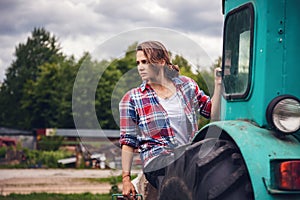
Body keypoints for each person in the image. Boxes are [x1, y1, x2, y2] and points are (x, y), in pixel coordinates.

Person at [119, 40, 222, 199]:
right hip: (157, 161)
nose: (140, 67)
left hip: (188, 155)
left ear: (161, 62)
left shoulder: (186, 85)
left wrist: (218, 83)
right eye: (138, 62)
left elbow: (211, 112)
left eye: (145, 62)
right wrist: (126, 180)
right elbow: (128, 141)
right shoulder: (132, 98)